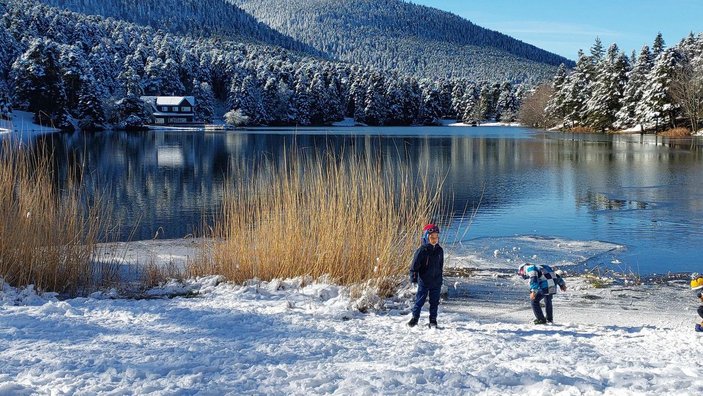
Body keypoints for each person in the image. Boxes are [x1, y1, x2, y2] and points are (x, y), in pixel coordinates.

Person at [407, 224, 444, 328]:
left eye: (436, 237)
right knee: (420, 300)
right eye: (432, 237)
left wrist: (440, 278)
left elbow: (441, 265)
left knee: (434, 302)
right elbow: (414, 266)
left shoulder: (440, 250)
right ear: (426, 237)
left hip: (436, 281)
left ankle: (433, 320)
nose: (434, 239)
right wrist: (413, 278)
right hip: (424, 280)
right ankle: (415, 318)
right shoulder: (422, 251)